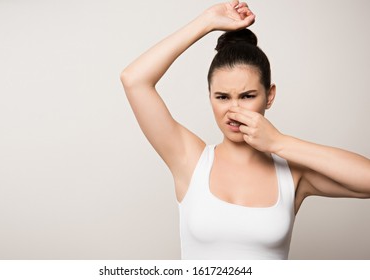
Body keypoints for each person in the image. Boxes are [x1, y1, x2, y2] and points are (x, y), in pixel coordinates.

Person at [120, 1, 370, 259]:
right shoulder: (191, 160)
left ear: (269, 96)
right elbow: (134, 80)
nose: (234, 110)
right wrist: (206, 22)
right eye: (222, 97)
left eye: (248, 96)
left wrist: (278, 143)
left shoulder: (292, 173)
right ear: (209, 97)